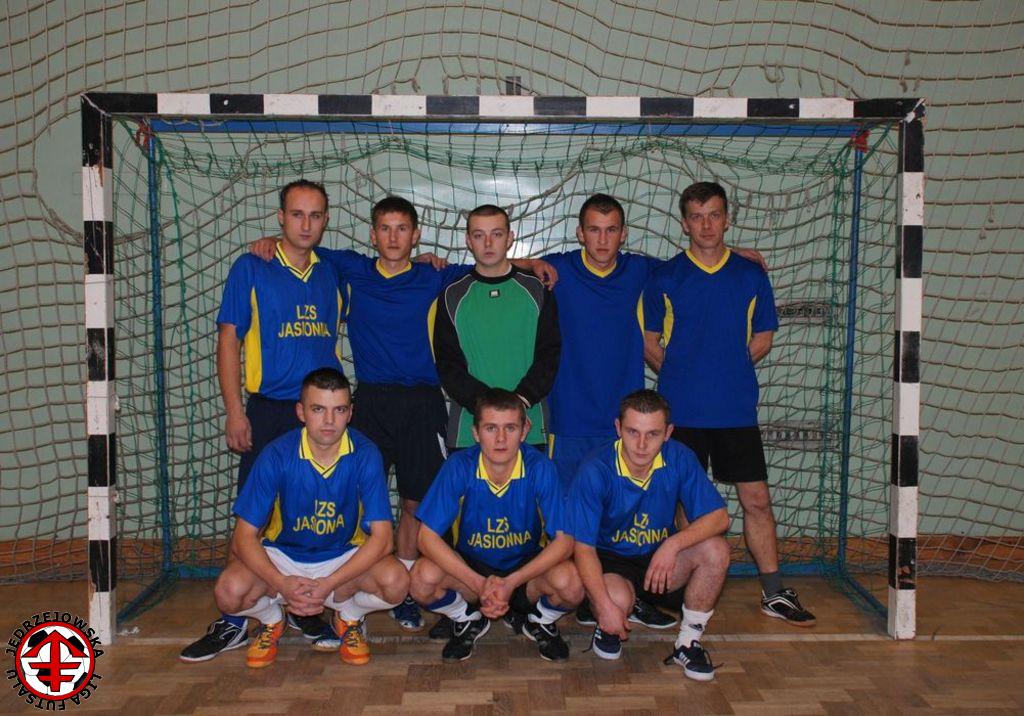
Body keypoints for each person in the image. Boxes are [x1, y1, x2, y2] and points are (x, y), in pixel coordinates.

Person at [249, 197, 557, 634]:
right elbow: (302, 246)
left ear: (416, 236)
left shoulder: (435, 276)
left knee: (415, 501)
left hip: (423, 402)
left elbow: (488, 264)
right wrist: (270, 241)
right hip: (371, 401)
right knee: (355, 496)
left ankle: (409, 590)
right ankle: (339, 591)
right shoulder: (351, 269)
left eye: (402, 229)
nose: (393, 237)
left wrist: (529, 262)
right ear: (372, 235)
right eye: (385, 228)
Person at [542, 192, 766, 632]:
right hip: (571, 419)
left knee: (633, 516)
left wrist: (733, 253)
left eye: (611, 230)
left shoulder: (642, 271)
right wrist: (527, 263)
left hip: (629, 425)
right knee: (572, 522)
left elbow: (698, 258)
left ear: (624, 234)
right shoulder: (558, 269)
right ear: (579, 233)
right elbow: (501, 263)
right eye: (594, 229)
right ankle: (586, 598)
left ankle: (632, 591)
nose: (602, 239)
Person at [181, 179, 346, 662]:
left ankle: (304, 609)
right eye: (296, 214)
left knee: (313, 514)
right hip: (270, 409)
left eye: (315, 215)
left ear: (326, 219)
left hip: (322, 415)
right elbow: (228, 340)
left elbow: (388, 272)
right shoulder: (252, 267)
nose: (306, 224)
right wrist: (235, 410)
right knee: (252, 514)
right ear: (280, 218)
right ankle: (233, 621)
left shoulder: (333, 272)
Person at [642, 181, 816, 627]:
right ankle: (688, 587)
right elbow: (649, 342)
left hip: (735, 411)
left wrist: (726, 370)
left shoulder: (750, 274)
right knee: (685, 505)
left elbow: (763, 338)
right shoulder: (665, 277)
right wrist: (684, 375)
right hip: (682, 413)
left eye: (714, 215)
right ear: (684, 224)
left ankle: (774, 592)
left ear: (727, 219)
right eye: (697, 217)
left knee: (756, 500)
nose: (706, 225)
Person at [211, 368, 408, 668]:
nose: (329, 420)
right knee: (228, 591)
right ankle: (272, 620)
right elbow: (243, 537)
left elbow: (383, 540)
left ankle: (348, 618)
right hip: (283, 557)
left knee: (397, 582)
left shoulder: (365, 454)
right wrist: (281, 582)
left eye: (338, 410)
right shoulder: (276, 454)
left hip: (341, 559)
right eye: (318, 409)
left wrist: (329, 582)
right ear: (301, 412)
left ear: (350, 413)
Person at [410, 389, 583, 662]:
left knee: (572, 583)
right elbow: (425, 538)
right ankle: (466, 618)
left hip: (525, 572)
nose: (501, 439)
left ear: (524, 430)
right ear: (476, 433)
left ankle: (539, 620)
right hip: (472, 572)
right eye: (491, 428)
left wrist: (512, 582)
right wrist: (479, 584)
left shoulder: (540, 467)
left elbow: (565, 541)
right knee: (421, 578)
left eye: (510, 428)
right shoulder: (459, 466)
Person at [572, 390, 729, 681]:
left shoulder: (680, 458)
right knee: (616, 599)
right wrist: (605, 607)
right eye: (633, 432)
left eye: (653, 434)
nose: (642, 444)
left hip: (658, 560)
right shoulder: (595, 469)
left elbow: (719, 517)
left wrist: (673, 544)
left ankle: (688, 643)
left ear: (668, 433)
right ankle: (610, 613)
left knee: (716, 549)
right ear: (618, 428)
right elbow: (582, 548)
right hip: (611, 562)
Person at [433, 204, 561, 453]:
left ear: (510, 238)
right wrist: (486, 406)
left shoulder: (537, 290)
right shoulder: (452, 295)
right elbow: (448, 365)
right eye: (479, 235)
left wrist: (520, 401)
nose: (488, 243)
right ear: (468, 241)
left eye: (497, 234)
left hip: (528, 427)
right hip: (469, 431)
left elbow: (549, 355)